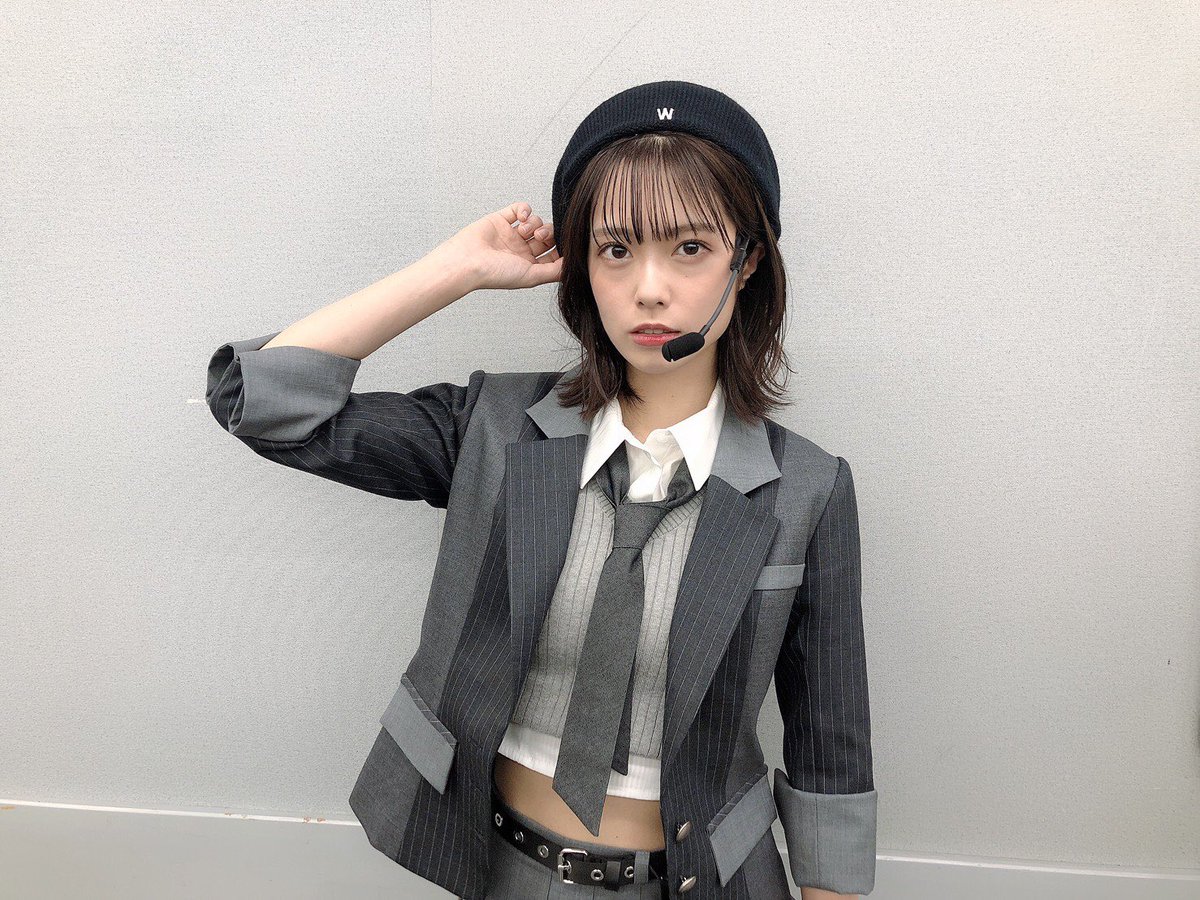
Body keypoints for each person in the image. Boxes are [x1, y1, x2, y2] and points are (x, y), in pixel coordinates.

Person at [206, 81, 876, 899]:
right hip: (506, 870)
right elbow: (263, 403)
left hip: (705, 881)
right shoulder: (493, 430)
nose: (650, 288)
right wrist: (456, 270)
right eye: (616, 249)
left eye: (690, 248)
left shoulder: (807, 490)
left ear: (750, 261)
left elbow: (829, 747)